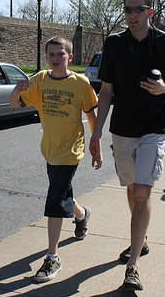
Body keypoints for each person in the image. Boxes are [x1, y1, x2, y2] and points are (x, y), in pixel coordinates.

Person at [89, 0, 165, 291]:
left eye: (138, 9)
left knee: (143, 192)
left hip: (154, 129)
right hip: (122, 129)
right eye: (128, 9)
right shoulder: (114, 44)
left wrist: (164, 89)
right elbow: (106, 91)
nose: (132, 15)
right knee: (133, 189)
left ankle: (132, 265)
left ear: (150, 11)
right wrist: (96, 130)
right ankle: (140, 240)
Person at [10, 36, 100, 283]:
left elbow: (93, 117)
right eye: (51, 54)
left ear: (70, 57)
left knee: (53, 201)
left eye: (60, 54)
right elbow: (14, 104)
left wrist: (96, 146)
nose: (55, 58)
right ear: (46, 56)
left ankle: (52, 257)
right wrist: (16, 91)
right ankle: (81, 215)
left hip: (71, 151)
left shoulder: (80, 83)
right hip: (50, 150)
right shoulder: (39, 79)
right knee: (63, 196)